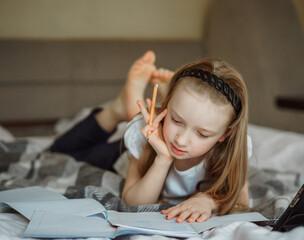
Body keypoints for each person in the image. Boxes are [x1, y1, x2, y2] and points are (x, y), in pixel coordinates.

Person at [50, 50, 251, 224]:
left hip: (158, 128)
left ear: (225, 134)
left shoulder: (234, 148)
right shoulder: (142, 136)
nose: (181, 140)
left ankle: (141, 107)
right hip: (134, 148)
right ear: (166, 107)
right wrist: (163, 159)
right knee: (59, 152)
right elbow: (133, 202)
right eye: (177, 120)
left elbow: (241, 202)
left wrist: (208, 201)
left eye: (202, 133)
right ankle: (116, 110)